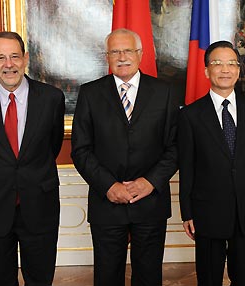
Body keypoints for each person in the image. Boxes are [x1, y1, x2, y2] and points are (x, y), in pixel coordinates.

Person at [71, 28, 178, 286]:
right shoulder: (90, 93)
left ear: (140, 54)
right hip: (107, 201)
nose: (122, 57)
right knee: (107, 275)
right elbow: (81, 149)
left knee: (149, 275)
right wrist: (109, 186)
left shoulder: (164, 92)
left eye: (127, 50)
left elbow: (175, 147)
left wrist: (149, 182)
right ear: (106, 56)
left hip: (150, 201)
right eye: (115, 51)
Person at [0, 31, 65, 285]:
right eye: (1, 58)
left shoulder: (51, 98)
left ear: (25, 58)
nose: (8, 65)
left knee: (40, 278)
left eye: (15, 57)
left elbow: (53, 145)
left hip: (40, 203)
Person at [178, 40, 245, 285]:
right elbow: (187, 166)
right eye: (217, 64)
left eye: (232, 63)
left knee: (243, 277)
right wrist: (187, 211)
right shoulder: (190, 115)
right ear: (206, 71)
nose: (225, 69)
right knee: (209, 278)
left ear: (239, 70)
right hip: (207, 211)